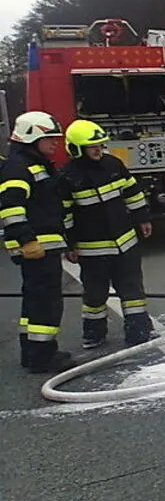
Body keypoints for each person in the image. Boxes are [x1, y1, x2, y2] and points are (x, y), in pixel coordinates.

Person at [58, 120, 154, 348]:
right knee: (95, 294)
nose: (98, 150)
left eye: (100, 145)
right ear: (76, 149)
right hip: (93, 249)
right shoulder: (67, 177)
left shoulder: (113, 165)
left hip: (126, 242)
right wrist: (69, 244)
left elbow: (132, 192)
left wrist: (142, 218)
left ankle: (139, 330)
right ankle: (94, 333)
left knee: (132, 288)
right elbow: (65, 215)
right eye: (92, 147)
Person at [0, 111, 77, 373]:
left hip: (42, 245)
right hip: (36, 247)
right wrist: (27, 240)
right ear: (32, 137)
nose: (56, 143)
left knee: (34, 300)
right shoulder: (19, 168)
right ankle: (44, 356)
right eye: (51, 138)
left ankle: (32, 352)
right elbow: (10, 207)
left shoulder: (34, 164)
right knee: (46, 301)